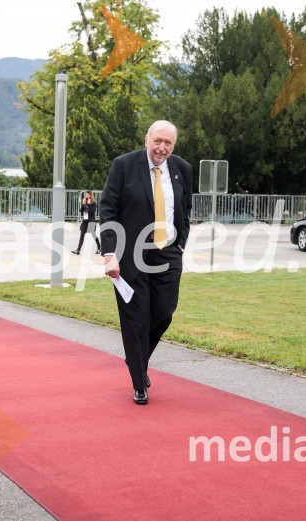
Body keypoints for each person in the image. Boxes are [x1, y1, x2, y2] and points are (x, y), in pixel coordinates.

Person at [99, 120, 193, 405]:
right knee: (136, 318)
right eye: (157, 141)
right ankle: (139, 382)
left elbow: (185, 208)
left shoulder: (182, 169)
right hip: (131, 254)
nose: (162, 148)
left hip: (168, 252)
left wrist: (180, 244)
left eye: (168, 143)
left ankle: (136, 360)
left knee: (164, 313)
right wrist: (109, 254)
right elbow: (108, 209)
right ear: (147, 140)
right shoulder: (124, 165)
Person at [72, 190, 100, 255]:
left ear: (90, 195)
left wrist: (89, 204)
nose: (86, 196)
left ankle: (99, 247)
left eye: (88, 195)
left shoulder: (94, 203)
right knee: (82, 235)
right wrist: (83, 204)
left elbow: (91, 211)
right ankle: (78, 250)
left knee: (93, 235)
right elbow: (81, 211)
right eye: (86, 195)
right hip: (84, 221)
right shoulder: (85, 202)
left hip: (91, 221)